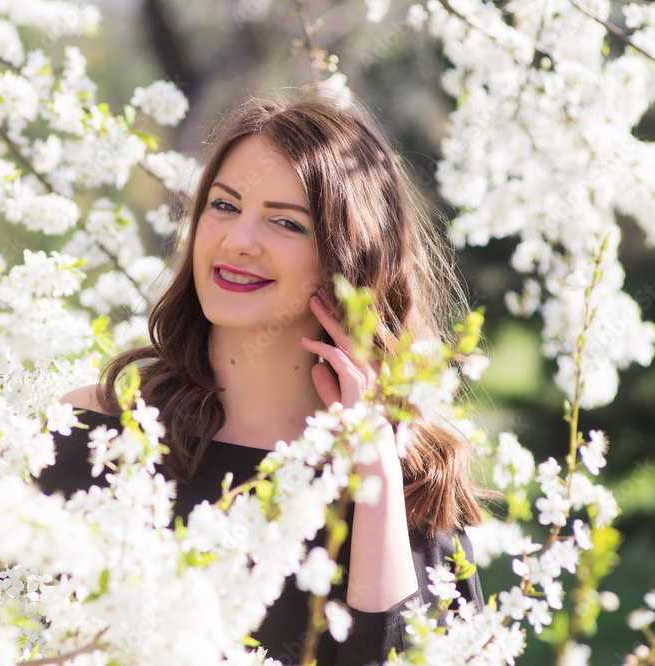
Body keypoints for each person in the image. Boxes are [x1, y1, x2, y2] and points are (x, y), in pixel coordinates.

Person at [37, 94, 485, 665]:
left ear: (347, 257)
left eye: (284, 221)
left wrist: (375, 465)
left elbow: (391, 656)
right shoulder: (96, 435)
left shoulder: (412, 484)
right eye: (223, 206)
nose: (239, 241)